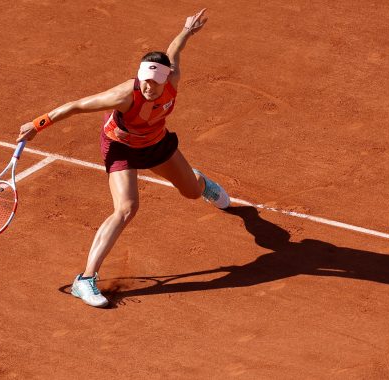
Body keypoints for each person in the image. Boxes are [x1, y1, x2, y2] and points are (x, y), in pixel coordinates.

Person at [16, 8, 230, 308]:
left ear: (166, 79)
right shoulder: (124, 95)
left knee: (192, 193)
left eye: (153, 82)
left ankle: (200, 182)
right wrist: (39, 124)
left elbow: (174, 50)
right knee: (127, 208)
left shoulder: (173, 79)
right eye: (144, 80)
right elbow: (77, 106)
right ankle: (85, 280)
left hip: (157, 144)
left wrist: (186, 30)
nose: (147, 86)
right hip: (122, 148)